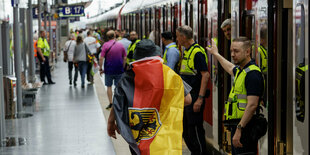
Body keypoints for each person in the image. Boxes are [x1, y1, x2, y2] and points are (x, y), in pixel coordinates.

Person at [107, 39, 192, 155]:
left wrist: (111, 121)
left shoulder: (127, 77)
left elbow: (118, 103)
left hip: (138, 135)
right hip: (163, 134)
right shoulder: (169, 74)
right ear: (155, 54)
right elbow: (188, 100)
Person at [206, 37, 264, 155]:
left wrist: (239, 129)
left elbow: (252, 105)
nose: (232, 54)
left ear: (247, 52)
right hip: (239, 125)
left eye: (236, 51)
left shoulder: (253, 74)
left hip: (246, 127)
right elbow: (229, 67)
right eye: (231, 51)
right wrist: (216, 54)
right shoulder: (242, 71)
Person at [176, 25, 210, 154]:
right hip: (186, 97)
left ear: (183, 37)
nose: (177, 39)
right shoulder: (187, 50)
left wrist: (200, 99)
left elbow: (205, 75)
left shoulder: (198, 52)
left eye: (178, 36)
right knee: (186, 130)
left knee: (195, 129)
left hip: (195, 97)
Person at [99, 30, 127, 109]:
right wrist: (123, 66)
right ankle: (117, 102)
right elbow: (124, 57)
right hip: (119, 69)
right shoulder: (120, 45)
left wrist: (100, 68)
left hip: (108, 70)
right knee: (118, 87)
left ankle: (111, 103)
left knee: (109, 87)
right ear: (114, 36)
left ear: (107, 37)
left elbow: (101, 58)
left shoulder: (105, 45)